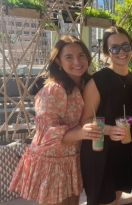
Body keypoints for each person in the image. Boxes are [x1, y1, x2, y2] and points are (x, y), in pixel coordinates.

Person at [9, 35, 101, 205]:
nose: (77, 61)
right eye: (69, 57)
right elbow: (47, 133)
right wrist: (81, 132)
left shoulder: (86, 84)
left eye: (81, 55)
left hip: (72, 159)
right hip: (52, 162)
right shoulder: (54, 90)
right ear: (58, 61)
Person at [80, 26, 132, 205]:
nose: (121, 52)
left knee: (117, 198)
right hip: (99, 152)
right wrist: (109, 130)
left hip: (123, 150)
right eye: (115, 48)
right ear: (107, 52)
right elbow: (86, 120)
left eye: (125, 46)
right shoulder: (98, 80)